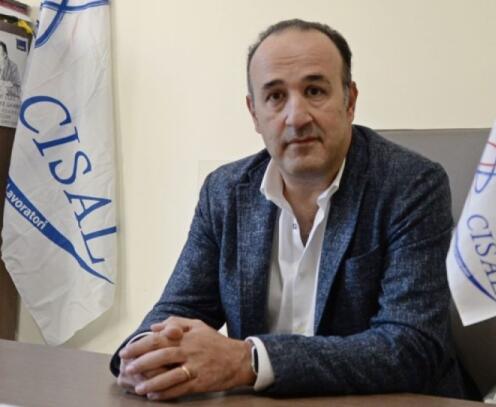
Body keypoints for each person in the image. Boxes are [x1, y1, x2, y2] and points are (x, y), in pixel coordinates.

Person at [111, 19, 465, 401]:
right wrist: (145, 354)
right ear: (254, 113)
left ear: (349, 101)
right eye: (275, 96)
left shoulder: (410, 186)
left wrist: (248, 361)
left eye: (314, 91)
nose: (296, 117)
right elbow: (180, 308)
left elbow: (410, 346)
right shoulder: (225, 192)